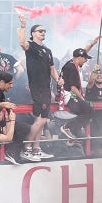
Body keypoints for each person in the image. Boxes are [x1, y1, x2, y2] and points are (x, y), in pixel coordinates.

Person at [17, 15, 63, 162]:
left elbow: (52, 68)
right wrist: (23, 26)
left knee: (40, 120)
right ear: (33, 33)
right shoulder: (31, 46)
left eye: (44, 31)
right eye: (40, 31)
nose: (43, 33)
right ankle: (26, 148)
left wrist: (58, 79)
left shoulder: (48, 50)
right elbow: (22, 43)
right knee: (41, 121)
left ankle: (36, 149)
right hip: (37, 87)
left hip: (46, 87)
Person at [59, 48, 95, 143]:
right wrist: (82, 99)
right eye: (85, 58)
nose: (86, 60)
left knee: (86, 111)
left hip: (69, 95)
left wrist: (92, 44)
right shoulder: (71, 67)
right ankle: (67, 128)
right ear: (80, 57)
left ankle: (71, 135)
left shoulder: (71, 64)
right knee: (89, 110)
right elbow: (72, 87)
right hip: (68, 96)